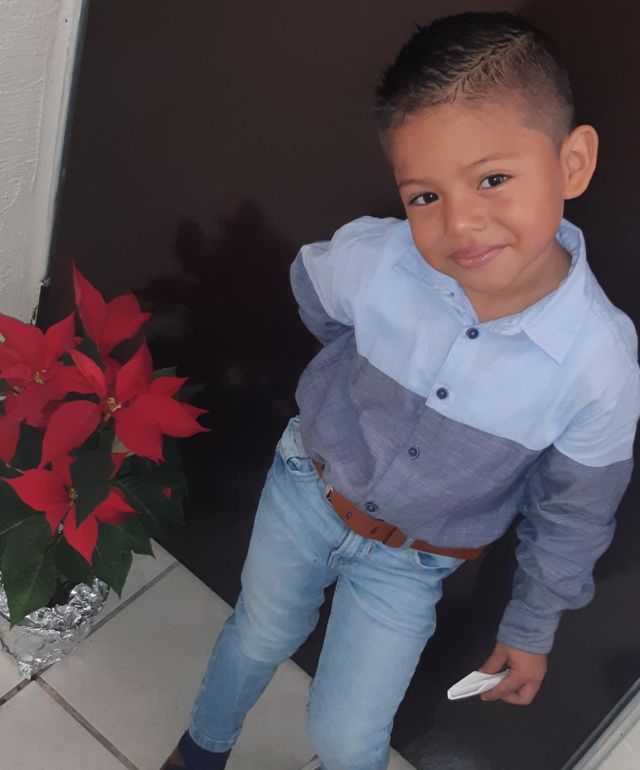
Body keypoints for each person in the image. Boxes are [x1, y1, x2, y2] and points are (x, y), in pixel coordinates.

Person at [161, 11, 640, 770]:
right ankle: (201, 748)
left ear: (572, 162)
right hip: (307, 489)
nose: (461, 223)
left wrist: (531, 626)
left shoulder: (600, 362)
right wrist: (355, 374)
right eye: (424, 196)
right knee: (259, 633)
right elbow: (314, 292)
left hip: (413, 561)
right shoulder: (378, 259)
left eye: (492, 179)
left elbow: (574, 513)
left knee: (347, 737)